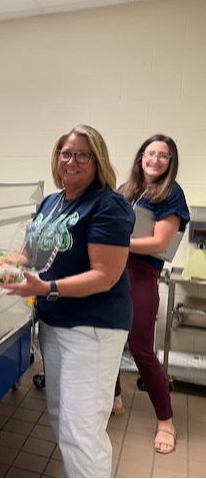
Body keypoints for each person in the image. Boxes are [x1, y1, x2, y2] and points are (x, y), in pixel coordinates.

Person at [3, 124, 135, 478]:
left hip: (92, 328)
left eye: (82, 154)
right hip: (54, 323)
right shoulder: (51, 202)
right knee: (62, 419)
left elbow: (105, 275)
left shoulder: (109, 204)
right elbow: (28, 255)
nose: (71, 160)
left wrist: (47, 289)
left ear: (97, 160)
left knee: (82, 432)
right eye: (66, 153)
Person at [113, 135, 190, 454]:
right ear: (141, 156)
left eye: (164, 155)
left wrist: (117, 242)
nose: (156, 159)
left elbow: (160, 243)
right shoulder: (127, 188)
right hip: (112, 269)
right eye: (151, 153)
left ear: (171, 162)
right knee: (107, 336)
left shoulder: (171, 193)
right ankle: (113, 398)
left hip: (141, 274)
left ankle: (166, 422)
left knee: (140, 346)